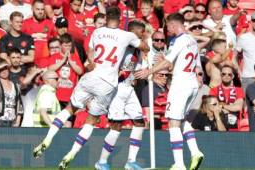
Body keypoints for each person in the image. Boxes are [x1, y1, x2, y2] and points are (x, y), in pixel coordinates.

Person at [33, 7, 149, 170]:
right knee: (92, 121)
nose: (142, 34)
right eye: (141, 32)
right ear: (121, 19)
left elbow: (90, 52)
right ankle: (74, 153)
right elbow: (145, 47)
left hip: (92, 77)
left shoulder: (98, 32)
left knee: (70, 108)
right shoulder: (127, 36)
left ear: (107, 17)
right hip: (110, 85)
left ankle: (48, 138)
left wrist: (91, 60)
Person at [135, 13, 203, 170]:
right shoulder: (192, 40)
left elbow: (167, 62)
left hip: (180, 84)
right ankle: (195, 152)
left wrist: (149, 71)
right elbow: (195, 65)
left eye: (168, 26)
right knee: (183, 120)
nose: (167, 30)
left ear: (173, 25)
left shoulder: (178, 40)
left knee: (173, 123)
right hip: (192, 83)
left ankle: (179, 164)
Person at [95, 20, 146, 170]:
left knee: (139, 122)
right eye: (141, 33)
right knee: (116, 126)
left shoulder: (137, 51)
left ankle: (131, 162)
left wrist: (146, 74)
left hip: (129, 89)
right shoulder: (119, 48)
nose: (143, 36)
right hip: (116, 89)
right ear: (132, 33)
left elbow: (136, 70)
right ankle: (102, 162)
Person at [22, 0, 56, 68]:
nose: (40, 12)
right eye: (37, 9)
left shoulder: (50, 23)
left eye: (42, 9)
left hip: (46, 62)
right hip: (29, 63)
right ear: (32, 9)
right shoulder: (25, 23)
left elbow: (55, 40)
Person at [209, 65, 244, 130]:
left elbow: (238, 107)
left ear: (233, 76)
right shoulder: (213, 90)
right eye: (224, 74)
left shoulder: (239, 90)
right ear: (220, 75)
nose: (226, 76)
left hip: (234, 125)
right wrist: (231, 107)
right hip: (218, 124)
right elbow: (213, 107)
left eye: (229, 74)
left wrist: (222, 105)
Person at [0, 60, 23, 127]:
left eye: (6, 68)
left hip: (12, 121)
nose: (4, 71)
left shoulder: (16, 85)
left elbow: (20, 104)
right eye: (1, 70)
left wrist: (17, 122)